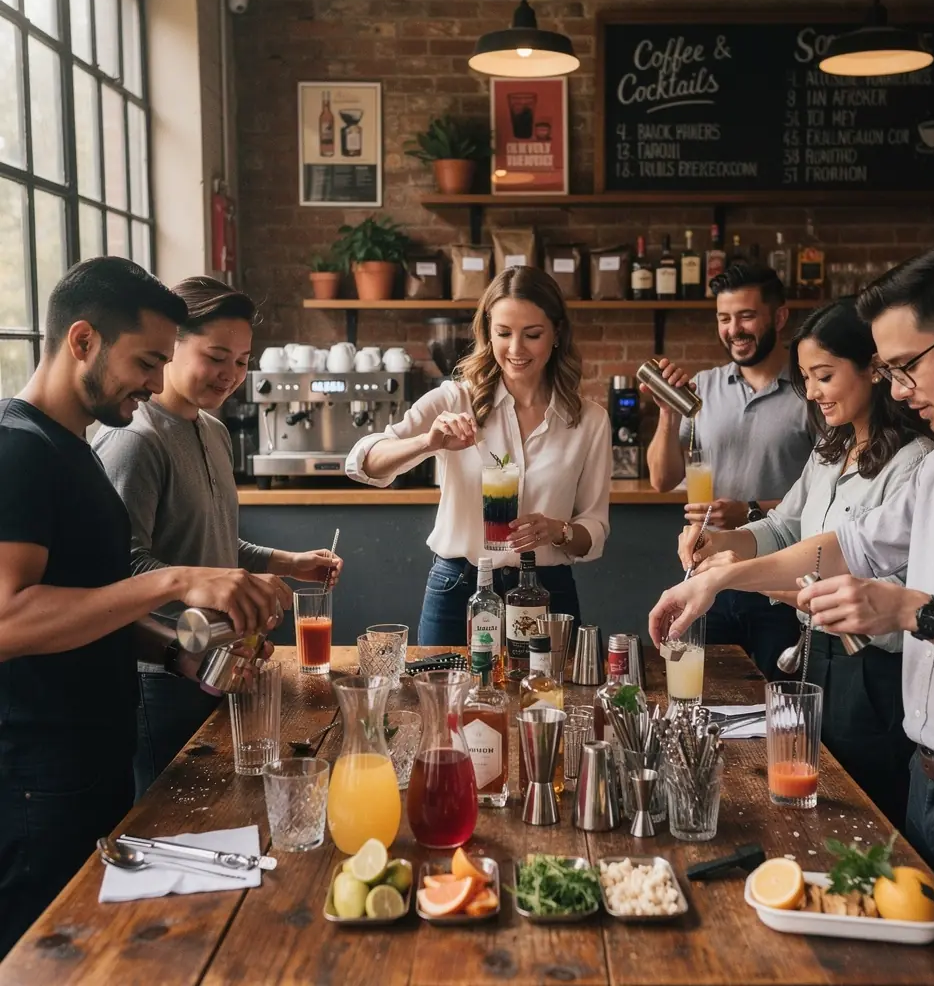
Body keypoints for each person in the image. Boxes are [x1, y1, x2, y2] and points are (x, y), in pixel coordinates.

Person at [649, 243, 934, 968]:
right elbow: (846, 543)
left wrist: (916, 612)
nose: (900, 387)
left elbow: (907, 602)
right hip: (929, 786)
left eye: (906, 365)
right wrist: (720, 577)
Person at [0, 258, 292, 959]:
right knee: (41, 959)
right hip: (38, 774)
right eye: (148, 360)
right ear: (81, 341)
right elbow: (8, 621)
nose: (159, 382)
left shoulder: (74, 453)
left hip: (96, 754)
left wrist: (175, 653)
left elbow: (89, 604)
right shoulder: (19, 451)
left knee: (95, 955)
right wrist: (175, 582)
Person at [677, 300, 934, 828]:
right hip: (815, 657)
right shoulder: (829, 449)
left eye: (824, 376)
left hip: (871, 673)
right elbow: (783, 527)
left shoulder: (917, 462)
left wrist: (733, 575)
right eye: (806, 379)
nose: (812, 393)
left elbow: (888, 586)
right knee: (805, 804)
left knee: (859, 814)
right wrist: (721, 542)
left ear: (874, 369)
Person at [93, 276, 341, 799]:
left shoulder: (214, 430)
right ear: (171, 345)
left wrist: (290, 562)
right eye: (217, 356)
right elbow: (117, 567)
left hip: (220, 660)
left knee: (220, 808)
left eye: (243, 361)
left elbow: (215, 541)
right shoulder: (134, 440)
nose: (230, 374)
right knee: (168, 819)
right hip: (159, 673)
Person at [346, 265, 611, 647]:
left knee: (548, 701)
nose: (516, 349)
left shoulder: (589, 421)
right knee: (443, 702)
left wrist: (560, 531)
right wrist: (429, 442)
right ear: (488, 333)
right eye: (503, 333)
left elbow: (595, 530)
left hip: (546, 590)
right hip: (458, 586)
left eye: (532, 334)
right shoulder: (454, 400)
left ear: (556, 334)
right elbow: (362, 461)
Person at [645, 262, 814, 677]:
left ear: (778, 316)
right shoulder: (702, 388)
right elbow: (662, 479)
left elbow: (823, 497)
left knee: (780, 701)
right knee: (706, 693)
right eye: (724, 318)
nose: (733, 329)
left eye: (746, 316)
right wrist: (668, 414)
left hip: (781, 584)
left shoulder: (813, 390)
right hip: (708, 577)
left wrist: (751, 510)